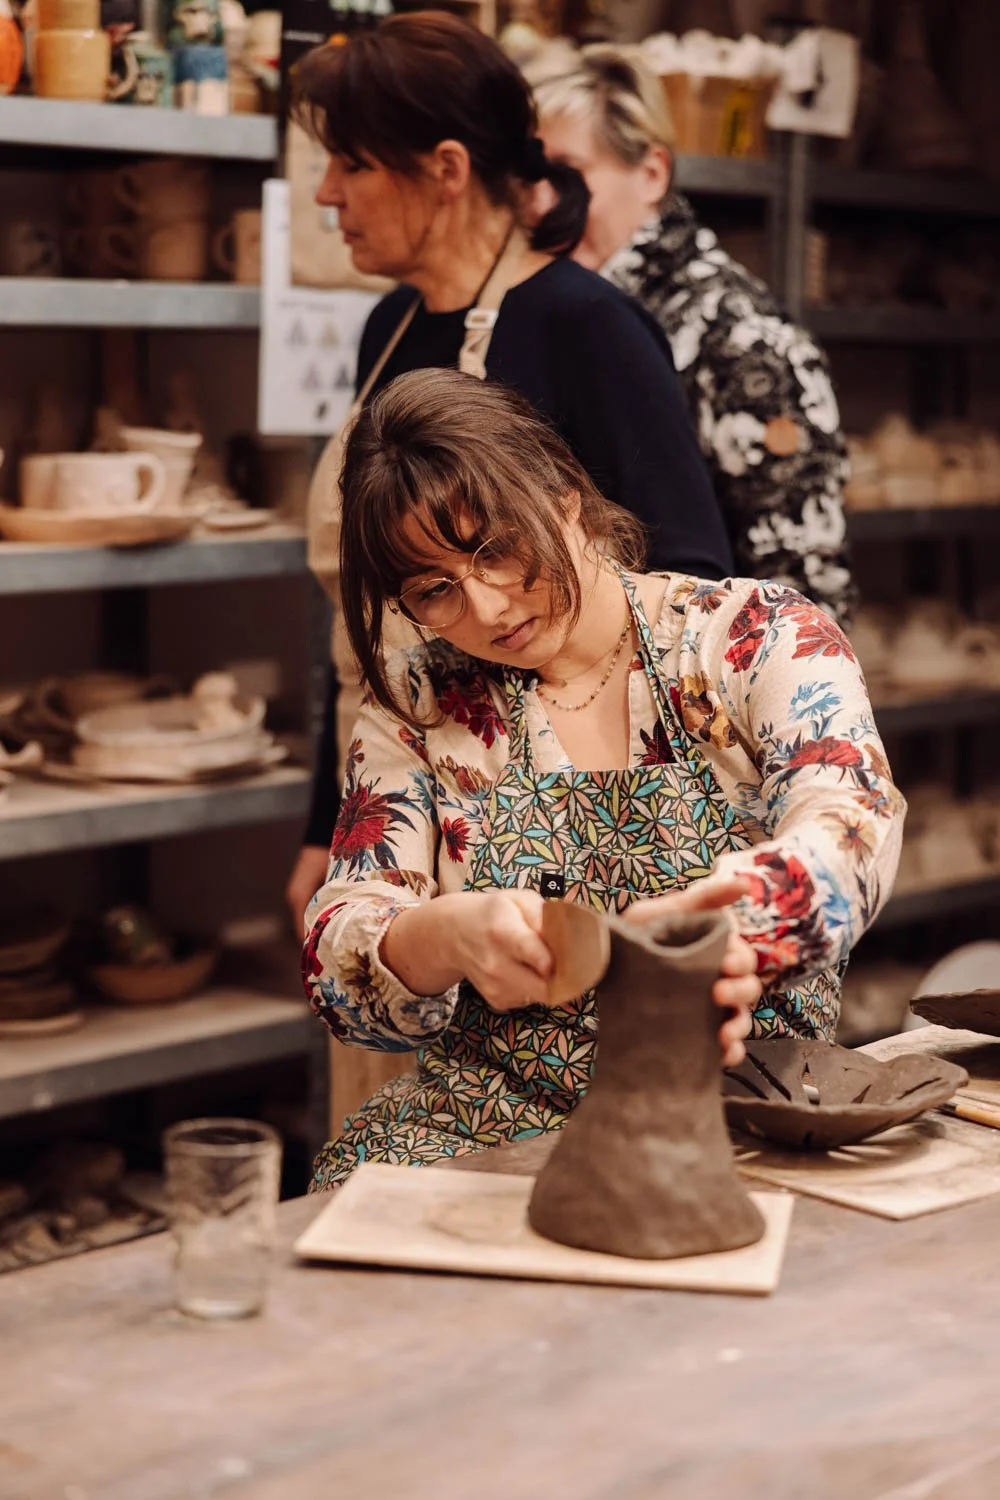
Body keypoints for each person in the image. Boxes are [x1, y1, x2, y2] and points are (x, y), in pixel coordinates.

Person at [302, 369, 905, 1189]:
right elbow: (341, 949)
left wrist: (754, 919)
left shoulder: (754, 640)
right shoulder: (422, 704)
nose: (486, 608)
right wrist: (445, 936)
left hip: (742, 1113)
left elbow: (851, 815)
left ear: (563, 498)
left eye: (497, 550)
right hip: (487, 1126)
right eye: (435, 590)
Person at [284, 12, 734, 934]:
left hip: (554, 820)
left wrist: (583, 806)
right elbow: (375, 613)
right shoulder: (393, 329)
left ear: (447, 169)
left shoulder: (583, 323)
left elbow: (688, 582)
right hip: (396, 786)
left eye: (353, 165)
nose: (327, 194)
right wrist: (326, 825)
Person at [533, 46, 856, 628]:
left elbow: (801, 590)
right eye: (531, 176)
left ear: (651, 173)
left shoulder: (741, 334)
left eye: (567, 173)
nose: (540, 202)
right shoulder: (561, 311)